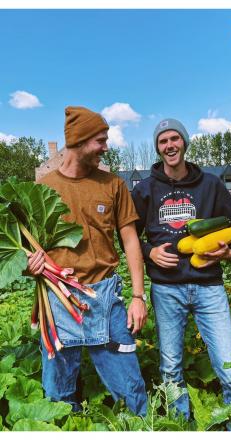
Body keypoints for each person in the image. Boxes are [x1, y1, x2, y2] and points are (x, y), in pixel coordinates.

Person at [27, 106, 148, 415]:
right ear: (78, 141)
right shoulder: (43, 190)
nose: (106, 147)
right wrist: (31, 263)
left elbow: (131, 241)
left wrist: (138, 296)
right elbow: (30, 249)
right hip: (58, 301)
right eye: (100, 140)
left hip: (105, 298)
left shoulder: (113, 185)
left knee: (130, 388)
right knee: (58, 393)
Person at [131, 118, 231, 420]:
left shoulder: (211, 184)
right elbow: (130, 236)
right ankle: (179, 424)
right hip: (167, 288)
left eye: (174, 139)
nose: (170, 145)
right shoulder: (145, 190)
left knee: (229, 363)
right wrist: (149, 252)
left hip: (209, 286)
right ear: (158, 148)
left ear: (184, 142)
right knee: (171, 366)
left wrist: (229, 250)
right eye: (163, 141)